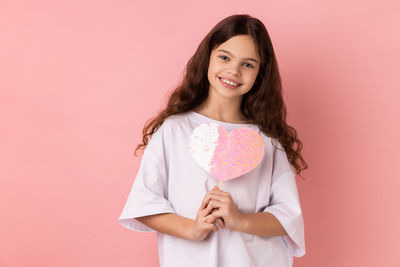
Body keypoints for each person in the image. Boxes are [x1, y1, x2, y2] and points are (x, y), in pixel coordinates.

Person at [118, 14, 308, 267]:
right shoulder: (174, 131)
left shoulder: (266, 140)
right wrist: (192, 228)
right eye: (225, 57)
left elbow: (287, 218)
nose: (233, 71)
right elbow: (144, 204)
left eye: (248, 64)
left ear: (260, 74)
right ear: (207, 56)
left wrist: (240, 220)